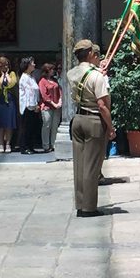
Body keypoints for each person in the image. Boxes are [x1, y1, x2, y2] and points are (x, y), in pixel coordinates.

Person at [67, 39, 116, 217]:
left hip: (78, 118)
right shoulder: (97, 76)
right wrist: (110, 127)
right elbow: (102, 105)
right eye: (95, 53)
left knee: (79, 165)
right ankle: (89, 207)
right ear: (89, 54)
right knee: (92, 166)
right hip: (94, 120)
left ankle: (80, 204)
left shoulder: (71, 73)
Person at [0, 56, 17, 153]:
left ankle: (8, 144)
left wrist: (6, 75)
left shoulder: (12, 73)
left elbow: (12, 83)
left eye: (6, 64)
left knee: (9, 124)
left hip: (9, 101)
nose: (5, 67)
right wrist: (2, 75)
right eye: (2, 65)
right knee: (0, 124)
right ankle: (1, 144)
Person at [19, 57, 40, 155]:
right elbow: (28, 94)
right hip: (27, 107)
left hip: (33, 106)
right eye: (32, 63)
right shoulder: (24, 78)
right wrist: (33, 106)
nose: (34, 65)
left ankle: (30, 146)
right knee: (26, 128)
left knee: (32, 127)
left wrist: (36, 104)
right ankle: (25, 147)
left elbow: (35, 92)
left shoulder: (31, 77)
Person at [38, 63, 62, 152]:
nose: (53, 71)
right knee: (47, 125)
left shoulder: (54, 80)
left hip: (57, 106)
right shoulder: (42, 81)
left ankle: (53, 144)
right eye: (51, 69)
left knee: (55, 126)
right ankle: (46, 145)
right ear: (47, 71)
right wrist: (53, 104)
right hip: (47, 107)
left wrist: (60, 101)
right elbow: (44, 95)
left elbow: (60, 91)